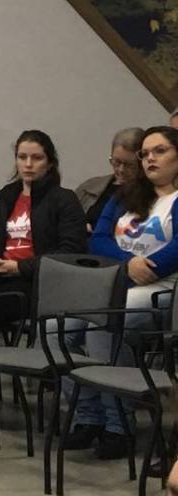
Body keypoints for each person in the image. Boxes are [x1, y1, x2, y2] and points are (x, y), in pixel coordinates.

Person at [0, 130, 86, 422]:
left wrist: (21, 267)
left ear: (50, 163)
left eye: (36, 158)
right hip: (3, 277)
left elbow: (69, 252)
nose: (28, 164)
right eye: (22, 157)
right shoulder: (8, 196)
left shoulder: (63, 199)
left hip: (39, 283)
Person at [69, 126, 178, 460]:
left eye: (159, 151)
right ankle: (89, 416)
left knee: (103, 322)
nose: (150, 159)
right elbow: (98, 240)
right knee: (58, 325)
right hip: (120, 281)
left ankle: (118, 426)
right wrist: (127, 264)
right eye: (145, 154)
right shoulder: (124, 196)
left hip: (163, 291)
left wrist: (146, 269)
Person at [75, 128, 146, 230]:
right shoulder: (89, 187)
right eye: (117, 161)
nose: (121, 169)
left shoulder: (148, 194)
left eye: (130, 165)